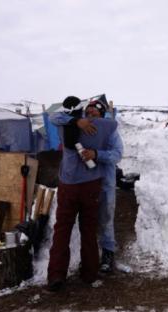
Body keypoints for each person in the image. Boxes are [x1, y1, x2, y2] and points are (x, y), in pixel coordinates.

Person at [47, 96, 117, 292]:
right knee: (87, 228)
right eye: (89, 109)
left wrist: (95, 153)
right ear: (83, 110)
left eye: (96, 109)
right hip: (90, 184)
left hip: (71, 184)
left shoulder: (63, 124)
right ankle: (89, 272)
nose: (92, 112)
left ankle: (57, 274)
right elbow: (113, 123)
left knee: (64, 229)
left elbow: (54, 116)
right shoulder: (106, 127)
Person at [81, 100, 123, 273]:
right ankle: (88, 255)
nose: (90, 116)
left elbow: (118, 154)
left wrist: (97, 154)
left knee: (105, 217)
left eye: (94, 113)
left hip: (105, 180)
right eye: (88, 113)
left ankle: (108, 253)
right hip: (84, 180)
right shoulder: (80, 128)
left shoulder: (110, 131)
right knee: (86, 219)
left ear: (102, 114)